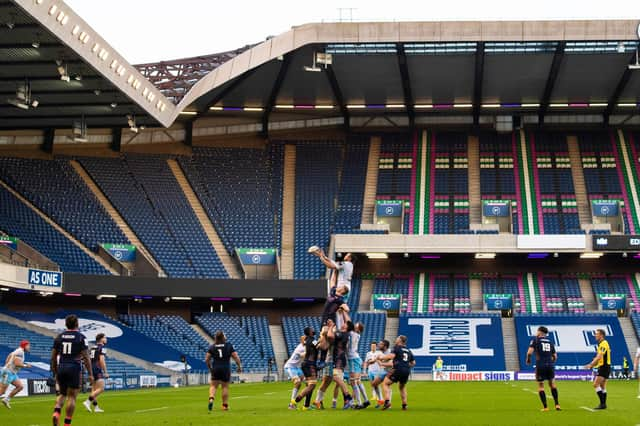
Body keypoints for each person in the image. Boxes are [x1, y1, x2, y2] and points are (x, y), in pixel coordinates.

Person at [51, 314, 94, 426]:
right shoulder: (81, 337)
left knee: (62, 394)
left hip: (62, 366)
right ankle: (67, 423)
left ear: (66, 324)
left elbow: (53, 357)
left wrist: (55, 371)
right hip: (74, 367)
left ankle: (56, 412)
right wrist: (90, 374)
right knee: (72, 397)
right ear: (77, 324)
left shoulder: (59, 337)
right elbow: (86, 357)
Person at [525, 326, 560, 411]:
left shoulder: (535, 340)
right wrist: (551, 362)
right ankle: (557, 404)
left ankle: (545, 407)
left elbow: (529, 352)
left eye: (537, 331)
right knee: (552, 384)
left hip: (540, 365)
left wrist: (528, 359)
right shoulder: (550, 342)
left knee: (541, 386)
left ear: (540, 332)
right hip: (550, 365)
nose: (536, 333)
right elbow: (555, 356)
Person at [205, 331, 242, 412]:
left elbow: (207, 359)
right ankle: (224, 406)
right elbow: (236, 357)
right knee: (225, 387)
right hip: (225, 368)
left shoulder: (212, 347)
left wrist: (210, 368)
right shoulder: (228, 345)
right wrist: (239, 366)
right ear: (223, 337)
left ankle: (211, 398)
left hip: (215, 368)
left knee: (213, 385)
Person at [378, 335, 415, 411]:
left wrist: (381, 358)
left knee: (385, 383)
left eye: (397, 338)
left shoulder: (397, 348)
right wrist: (406, 366)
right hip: (406, 370)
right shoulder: (409, 350)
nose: (396, 339)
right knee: (402, 387)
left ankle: (387, 402)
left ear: (400, 341)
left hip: (398, 369)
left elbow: (391, 356)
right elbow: (413, 363)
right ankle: (404, 405)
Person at [327, 320, 354, 409]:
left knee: (335, 377)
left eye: (345, 323)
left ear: (346, 327)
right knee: (338, 381)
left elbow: (330, 336)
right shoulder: (345, 335)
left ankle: (348, 396)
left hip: (339, 359)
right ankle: (347, 400)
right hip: (340, 358)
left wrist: (331, 326)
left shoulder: (342, 333)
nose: (343, 324)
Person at [584, 329, 611, 410]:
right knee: (602, 386)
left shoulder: (603, 343)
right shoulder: (601, 344)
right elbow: (599, 358)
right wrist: (592, 365)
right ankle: (603, 404)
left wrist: (591, 364)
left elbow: (599, 357)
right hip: (605, 366)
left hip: (604, 367)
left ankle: (602, 404)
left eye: (597, 334)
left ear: (601, 335)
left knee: (595, 384)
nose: (595, 335)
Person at [0, 340, 31, 409]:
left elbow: (10, 355)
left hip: (11, 372)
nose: (29, 347)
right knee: (2, 391)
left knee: (20, 386)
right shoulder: (20, 352)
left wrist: (7, 364)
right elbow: (17, 363)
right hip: (8, 372)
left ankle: (6, 399)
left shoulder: (19, 351)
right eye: (28, 346)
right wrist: (26, 365)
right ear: (24, 346)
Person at [293, 326, 318, 410]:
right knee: (312, 385)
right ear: (310, 332)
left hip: (305, 363)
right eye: (312, 329)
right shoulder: (313, 340)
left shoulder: (306, 339)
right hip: (310, 364)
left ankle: (306, 406)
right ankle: (296, 400)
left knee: (309, 384)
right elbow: (319, 346)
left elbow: (303, 339)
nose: (313, 330)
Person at [83, 333, 109, 413]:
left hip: (91, 368)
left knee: (94, 389)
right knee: (101, 388)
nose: (106, 339)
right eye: (105, 337)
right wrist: (105, 372)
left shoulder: (92, 348)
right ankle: (87, 402)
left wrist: (85, 369)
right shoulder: (102, 348)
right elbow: (101, 360)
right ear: (101, 339)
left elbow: (88, 359)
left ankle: (96, 407)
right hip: (97, 369)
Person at [348, 322, 369, 409]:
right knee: (358, 381)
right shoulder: (356, 335)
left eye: (356, 325)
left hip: (353, 358)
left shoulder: (353, 334)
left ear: (358, 329)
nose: (354, 326)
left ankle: (359, 403)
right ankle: (366, 400)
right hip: (356, 358)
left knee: (353, 381)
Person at [284, 335, 306, 410]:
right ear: (301, 340)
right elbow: (303, 356)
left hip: (297, 368)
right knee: (298, 383)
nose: (305, 340)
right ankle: (291, 404)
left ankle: (306, 404)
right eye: (303, 339)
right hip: (290, 367)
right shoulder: (300, 348)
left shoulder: (305, 346)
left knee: (308, 383)